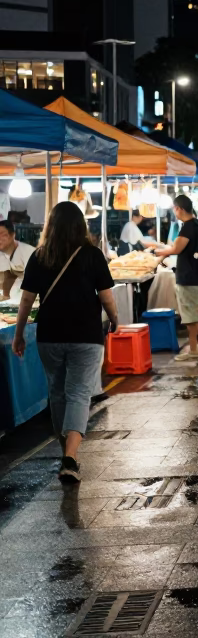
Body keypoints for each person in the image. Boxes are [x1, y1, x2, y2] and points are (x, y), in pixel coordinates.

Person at [11, 202, 120, 483]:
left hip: (50, 335)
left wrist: (19, 333)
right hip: (86, 335)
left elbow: (27, 299)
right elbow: (106, 295)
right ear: (80, 225)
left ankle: (67, 452)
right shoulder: (93, 256)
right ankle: (70, 457)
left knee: (57, 393)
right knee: (79, 393)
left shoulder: (39, 256)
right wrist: (114, 318)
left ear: (51, 225)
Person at [152, 195, 198, 360]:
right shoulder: (195, 224)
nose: (174, 211)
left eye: (174, 208)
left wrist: (158, 252)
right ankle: (194, 350)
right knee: (191, 315)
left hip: (189, 276)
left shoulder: (188, 227)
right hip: (193, 275)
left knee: (195, 314)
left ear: (179, 208)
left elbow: (176, 249)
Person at [0, 219, 36, 300]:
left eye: (3, 234)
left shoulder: (29, 253)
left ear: (13, 235)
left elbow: (34, 283)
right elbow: (6, 277)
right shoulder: (1, 254)